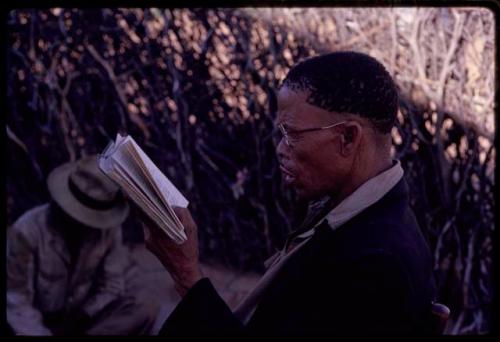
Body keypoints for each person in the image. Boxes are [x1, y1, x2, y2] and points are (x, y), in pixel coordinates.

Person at [142, 51, 437, 335]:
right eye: (280, 135)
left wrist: (186, 276)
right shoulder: (355, 215)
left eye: (292, 134)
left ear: (347, 137)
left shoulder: (377, 266)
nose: (281, 150)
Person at [7, 155, 159, 335]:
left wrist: (84, 316)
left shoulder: (108, 230)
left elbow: (111, 286)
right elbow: (16, 300)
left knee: (144, 308)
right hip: (35, 321)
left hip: (81, 320)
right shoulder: (26, 231)